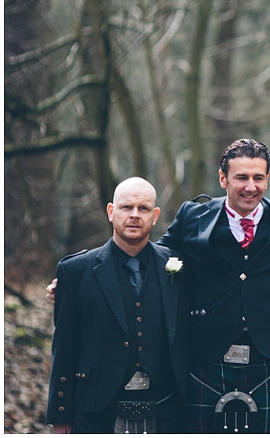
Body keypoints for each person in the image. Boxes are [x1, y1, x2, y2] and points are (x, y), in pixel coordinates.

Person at [156, 138, 270, 433]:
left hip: (266, 358)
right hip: (206, 357)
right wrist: (81, 276)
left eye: (258, 178)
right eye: (241, 177)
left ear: (267, 178)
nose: (250, 186)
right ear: (223, 178)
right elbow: (154, 259)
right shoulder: (193, 217)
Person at [46, 177, 189, 434]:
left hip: (167, 406)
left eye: (143, 208)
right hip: (95, 408)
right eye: (126, 207)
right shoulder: (75, 271)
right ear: (111, 212)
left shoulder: (179, 268)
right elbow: (64, 348)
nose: (134, 215)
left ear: (155, 216)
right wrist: (60, 415)